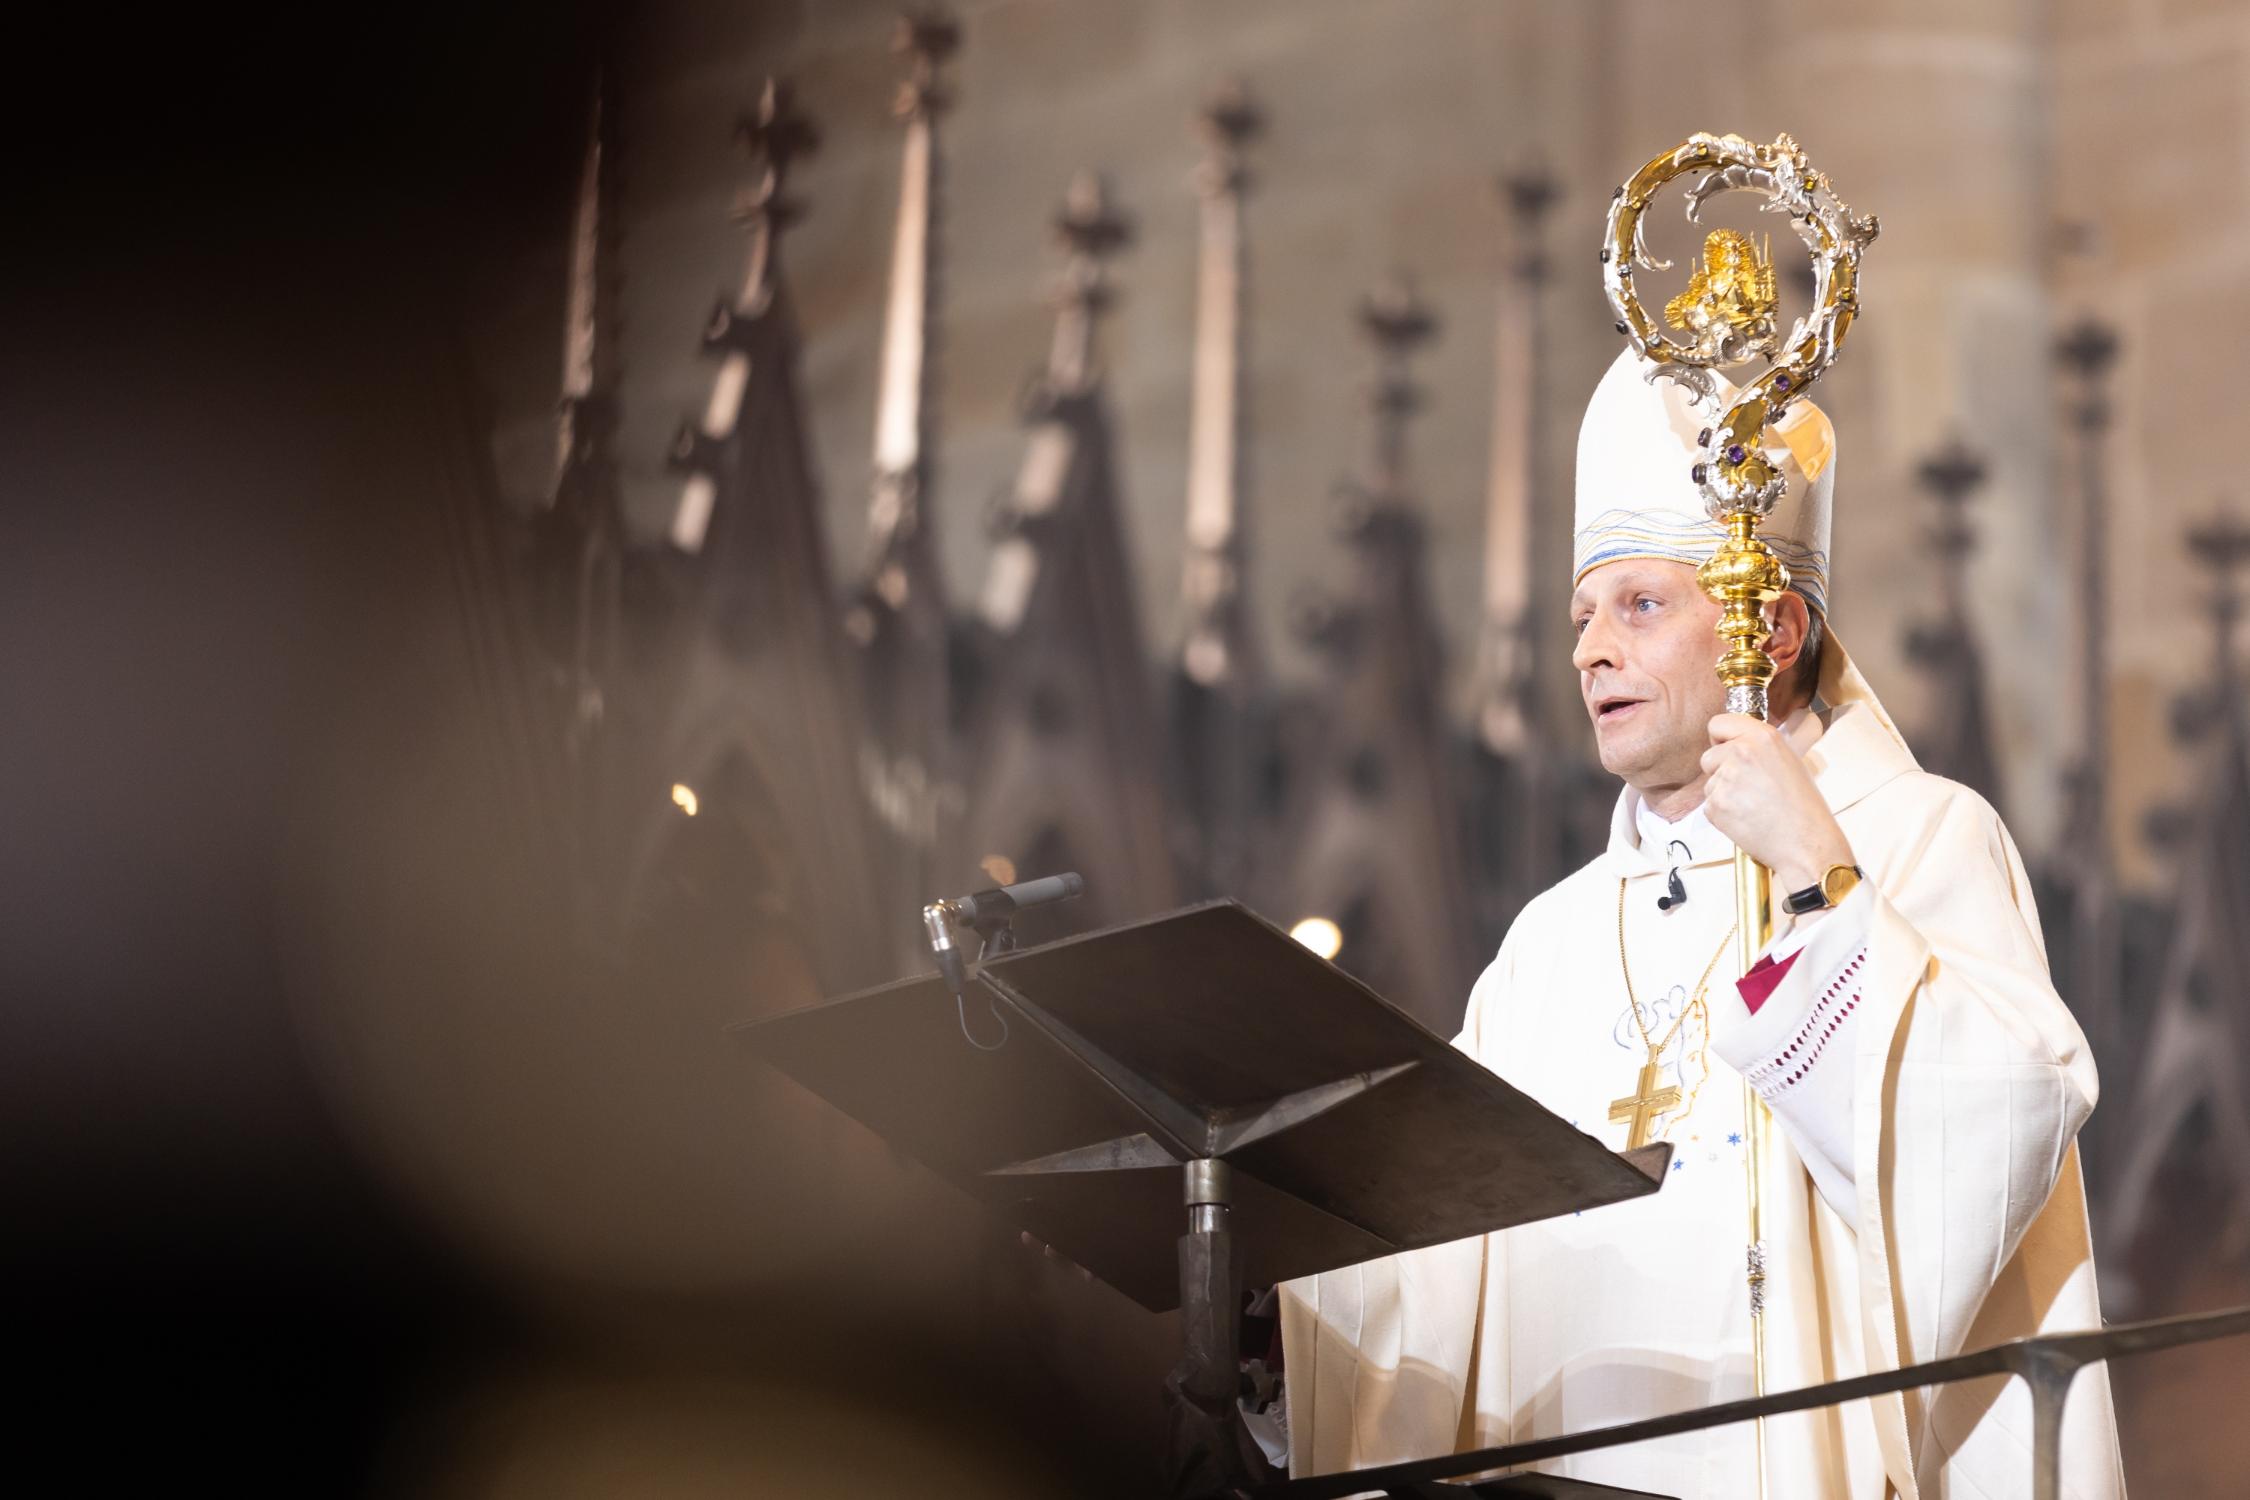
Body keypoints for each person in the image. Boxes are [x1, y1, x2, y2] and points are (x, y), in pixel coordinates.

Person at [1278, 351, 2126, 1498]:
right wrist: (1269, 1303)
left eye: (1638, 606)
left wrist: (1820, 882)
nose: (1588, 651)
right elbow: (1430, 1256)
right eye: (1583, 615)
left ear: (1769, 631)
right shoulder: (1551, 941)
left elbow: (1997, 1134)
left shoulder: (1915, 837)